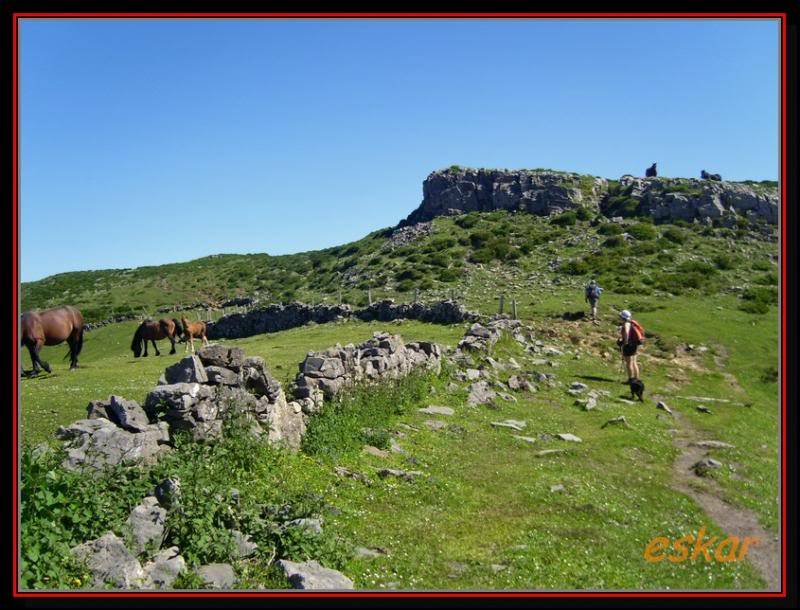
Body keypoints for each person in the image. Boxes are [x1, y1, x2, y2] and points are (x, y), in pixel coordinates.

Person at [618, 309, 642, 381]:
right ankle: (636, 378)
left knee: (629, 363)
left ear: (623, 317)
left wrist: (624, 342)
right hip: (635, 344)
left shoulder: (626, 324)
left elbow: (626, 333)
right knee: (634, 361)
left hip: (629, 345)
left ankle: (631, 379)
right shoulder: (632, 323)